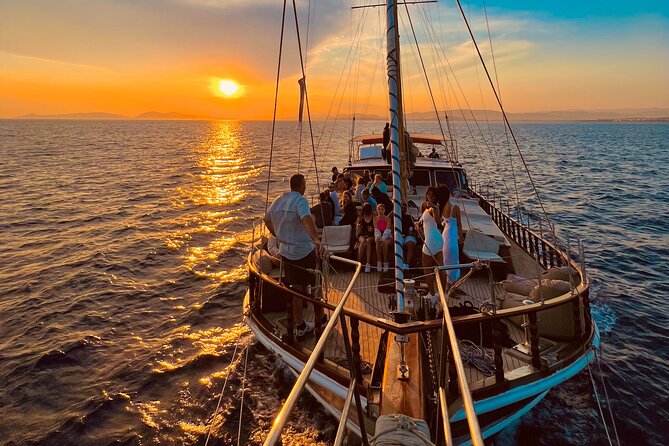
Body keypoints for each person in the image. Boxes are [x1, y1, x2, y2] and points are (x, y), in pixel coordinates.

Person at [264, 174, 323, 338]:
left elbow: (266, 219)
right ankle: (320, 318)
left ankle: (300, 325)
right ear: (301, 185)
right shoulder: (300, 201)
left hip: (286, 253)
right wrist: (316, 240)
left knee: (296, 289)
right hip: (304, 251)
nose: (305, 187)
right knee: (317, 285)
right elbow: (306, 219)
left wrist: (277, 233)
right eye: (305, 184)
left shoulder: (278, 200)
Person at [418, 186, 444, 296]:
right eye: (428, 194)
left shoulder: (435, 209)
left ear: (435, 198)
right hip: (437, 239)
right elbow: (423, 222)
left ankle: (433, 294)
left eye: (432, 196)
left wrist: (434, 207)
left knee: (427, 269)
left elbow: (437, 221)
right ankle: (443, 293)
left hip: (432, 240)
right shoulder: (424, 206)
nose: (429, 197)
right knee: (440, 268)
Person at [437, 185, 463, 285]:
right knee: (454, 261)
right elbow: (459, 225)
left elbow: (441, 223)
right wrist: (461, 238)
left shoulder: (441, 208)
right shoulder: (455, 208)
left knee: (446, 260)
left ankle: (448, 284)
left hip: (444, 236)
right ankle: (451, 285)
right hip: (452, 237)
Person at [356, 203, 375, 273]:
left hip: (371, 234)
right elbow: (358, 226)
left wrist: (372, 229)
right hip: (363, 234)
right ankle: (359, 262)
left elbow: (375, 226)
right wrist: (358, 225)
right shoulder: (361, 217)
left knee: (368, 241)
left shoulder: (373, 216)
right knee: (363, 241)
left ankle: (368, 263)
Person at [374, 203, 393, 272]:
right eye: (379, 209)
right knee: (377, 240)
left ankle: (385, 262)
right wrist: (379, 237)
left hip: (388, 236)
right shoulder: (375, 218)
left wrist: (382, 238)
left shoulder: (388, 219)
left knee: (384, 242)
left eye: (382, 209)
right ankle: (379, 261)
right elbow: (376, 229)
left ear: (384, 210)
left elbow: (387, 230)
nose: (380, 211)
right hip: (379, 234)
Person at [399, 202, 416, 270]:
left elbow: (413, 230)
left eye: (404, 208)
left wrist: (411, 233)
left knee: (410, 244)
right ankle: (403, 262)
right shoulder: (395, 217)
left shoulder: (410, 217)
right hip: (399, 235)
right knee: (399, 244)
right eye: (401, 208)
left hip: (408, 235)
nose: (403, 209)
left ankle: (407, 264)